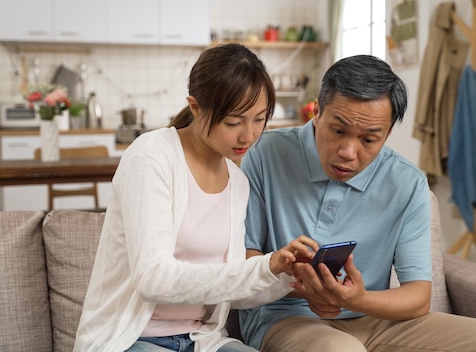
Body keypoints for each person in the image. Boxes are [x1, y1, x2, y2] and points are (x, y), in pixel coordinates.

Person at [239, 55, 476, 352]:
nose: (348, 152)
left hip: (373, 317)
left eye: (368, 140)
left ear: (387, 134)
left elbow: (418, 295)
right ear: (316, 111)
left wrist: (357, 299)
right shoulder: (264, 155)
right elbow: (243, 259)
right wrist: (295, 281)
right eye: (338, 131)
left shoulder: (407, 183)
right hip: (286, 317)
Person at [73, 43, 318, 352]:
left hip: (199, 340)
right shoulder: (151, 158)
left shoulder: (237, 182)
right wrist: (261, 267)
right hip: (129, 338)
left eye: (259, 119)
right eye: (233, 122)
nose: (249, 135)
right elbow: (153, 279)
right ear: (196, 107)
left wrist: (282, 273)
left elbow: (231, 291)